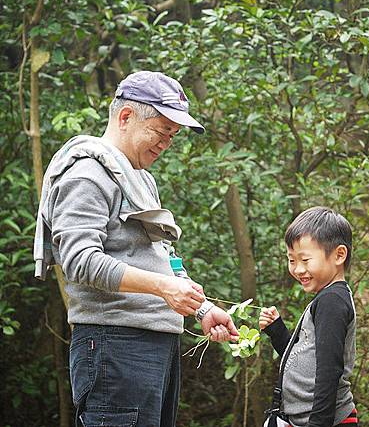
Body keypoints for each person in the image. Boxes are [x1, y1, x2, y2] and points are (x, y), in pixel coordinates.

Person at [33, 71, 239, 427]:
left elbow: (163, 259)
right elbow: (79, 260)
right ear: (126, 117)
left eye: (172, 137)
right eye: (161, 132)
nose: (165, 144)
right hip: (114, 346)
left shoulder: (139, 178)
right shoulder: (86, 172)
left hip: (154, 345)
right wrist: (163, 289)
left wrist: (202, 308)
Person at [259, 207, 359, 427]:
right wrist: (277, 331)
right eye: (292, 260)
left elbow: (328, 371)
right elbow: (305, 357)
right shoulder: (326, 297)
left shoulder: (332, 301)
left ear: (339, 255)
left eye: (305, 260)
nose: (297, 269)